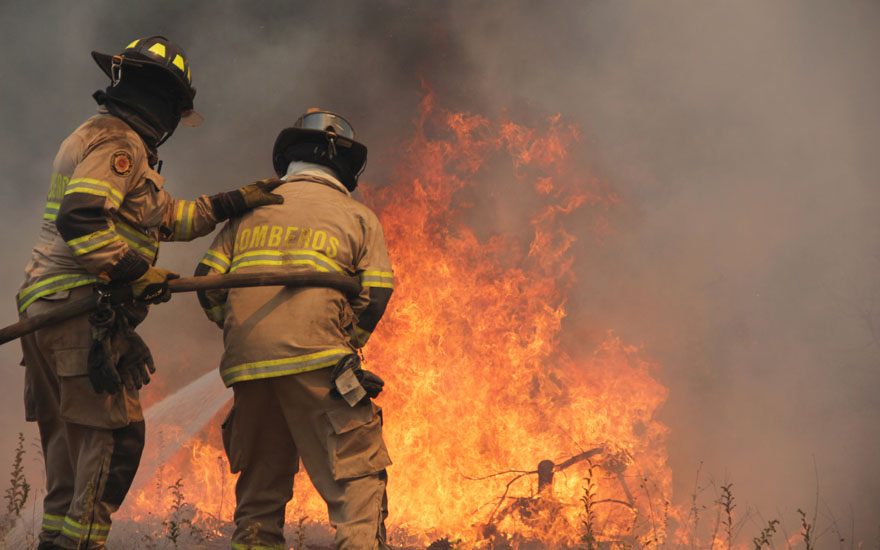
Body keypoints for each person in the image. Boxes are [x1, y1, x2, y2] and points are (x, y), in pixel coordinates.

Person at [17, 36, 284, 550]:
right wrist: (136, 273)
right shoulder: (121, 144)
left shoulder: (99, 137)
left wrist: (233, 201)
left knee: (71, 445)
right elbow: (82, 219)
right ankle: (80, 544)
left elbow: (170, 218)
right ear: (161, 101)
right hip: (78, 308)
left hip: (48, 309)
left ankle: (55, 540)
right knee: (114, 440)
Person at [195, 109, 395, 550]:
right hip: (319, 360)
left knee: (260, 491)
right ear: (344, 167)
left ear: (287, 158)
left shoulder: (246, 215)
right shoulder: (356, 216)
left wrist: (243, 333)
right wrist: (349, 344)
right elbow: (377, 292)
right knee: (357, 476)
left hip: (250, 367)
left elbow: (207, 288)